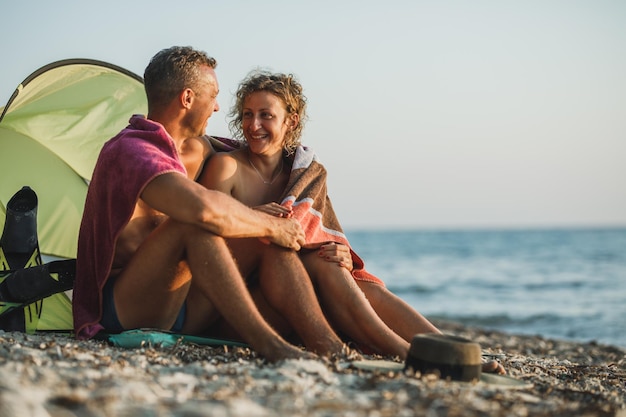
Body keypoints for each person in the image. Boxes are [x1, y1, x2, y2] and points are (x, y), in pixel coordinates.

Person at [199, 70, 505, 374]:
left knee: (333, 263)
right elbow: (208, 247)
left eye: (266, 115)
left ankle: (450, 352)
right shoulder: (227, 167)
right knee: (316, 262)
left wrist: (342, 253)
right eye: (248, 114)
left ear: (291, 121)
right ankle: (410, 355)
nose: (254, 125)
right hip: (239, 308)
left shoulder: (304, 175)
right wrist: (255, 221)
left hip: (296, 295)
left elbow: (317, 233)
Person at [72, 46, 346, 362]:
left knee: (264, 240)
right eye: (212, 95)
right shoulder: (133, 150)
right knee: (192, 223)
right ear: (188, 99)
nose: (217, 107)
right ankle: (271, 346)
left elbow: (267, 157)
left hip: (183, 304)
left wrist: (309, 235)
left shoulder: (192, 150)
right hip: (123, 311)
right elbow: (202, 209)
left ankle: (331, 347)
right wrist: (271, 224)